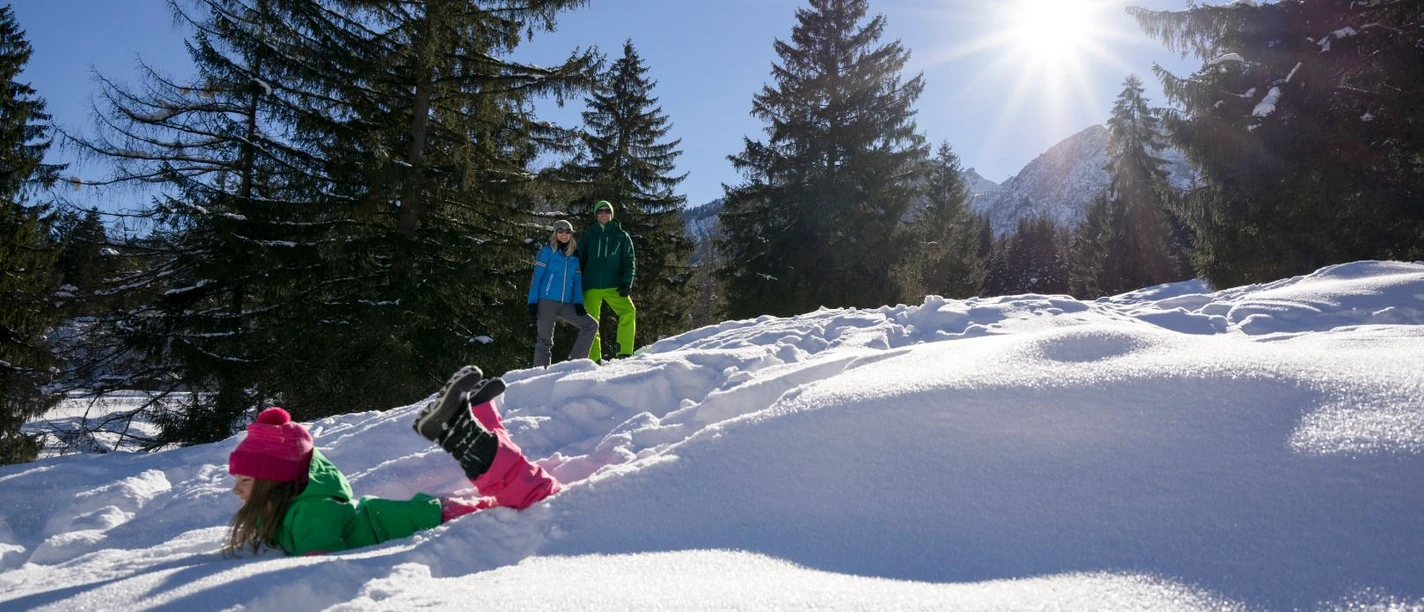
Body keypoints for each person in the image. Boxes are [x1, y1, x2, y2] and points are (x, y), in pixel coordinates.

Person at [225, 366, 560, 556]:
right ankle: (476, 418)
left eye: (245, 480)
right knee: (529, 493)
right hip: (405, 515)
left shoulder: (313, 510)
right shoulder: (284, 504)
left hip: (420, 518)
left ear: (275, 481)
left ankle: (470, 422)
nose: (237, 490)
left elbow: (319, 561)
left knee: (525, 501)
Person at [528, 220, 599, 368]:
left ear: (571, 234)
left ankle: (574, 364)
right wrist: (532, 301)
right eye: (560, 231)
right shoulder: (547, 252)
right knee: (545, 340)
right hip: (546, 301)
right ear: (555, 233)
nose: (564, 234)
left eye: (568, 231)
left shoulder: (574, 256)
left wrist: (578, 303)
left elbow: (577, 282)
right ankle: (539, 375)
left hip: (566, 303)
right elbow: (537, 278)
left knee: (591, 325)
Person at [579, 200, 636, 362]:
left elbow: (629, 261)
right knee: (591, 323)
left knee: (628, 311)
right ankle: (594, 359)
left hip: (614, 286)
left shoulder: (621, 235)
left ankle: (624, 352)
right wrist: (577, 283)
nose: (603, 214)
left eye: (606, 211)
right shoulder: (589, 234)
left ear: (611, 214)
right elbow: (580, 260)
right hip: (591, 286)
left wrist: (627, 282)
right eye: (600, 211)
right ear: (596, 215)